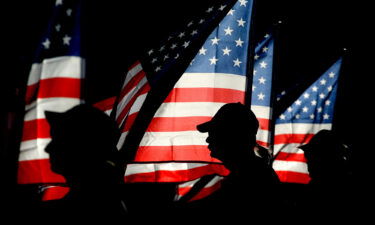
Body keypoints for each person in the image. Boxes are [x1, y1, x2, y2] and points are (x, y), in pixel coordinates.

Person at [174, 103, 281, 222]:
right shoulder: (251, 173)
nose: (208, 139)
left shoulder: (250, 179)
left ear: (232, 136)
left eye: (215, 132)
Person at [41, 104, 127, 223]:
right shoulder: (107, 196)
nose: (48, 148)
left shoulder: (90, 206)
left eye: (59, 139)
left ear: (82, 146)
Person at [298, 129, 354, 220]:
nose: (308, 163)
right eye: (308, 158)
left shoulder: (335, 187)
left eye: (312, 157)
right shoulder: (315, 185)